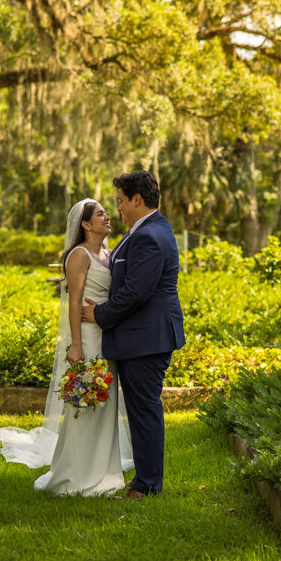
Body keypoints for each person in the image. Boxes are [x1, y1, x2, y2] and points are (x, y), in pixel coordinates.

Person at [0, 198, 133, 495]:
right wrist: (77, 346)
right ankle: (75, 474)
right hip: (86, 336)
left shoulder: (110, 254)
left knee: (105, 404)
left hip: (106, 335)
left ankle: (104, 472)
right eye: (100, 214)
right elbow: (74, 302)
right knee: (86, 403)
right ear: (85, 224)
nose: (108, 216)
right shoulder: (79, 256)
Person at [82, 171, 185, 498]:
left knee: (143, 411)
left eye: (121, 201)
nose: (119, 209)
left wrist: (98, 314)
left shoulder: (149, 236)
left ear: (137, 199)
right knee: (141, 410)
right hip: (141, 337)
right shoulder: (144, 231)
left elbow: (135, 293)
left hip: (147, 338)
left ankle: (148, 485)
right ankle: (145, 479)